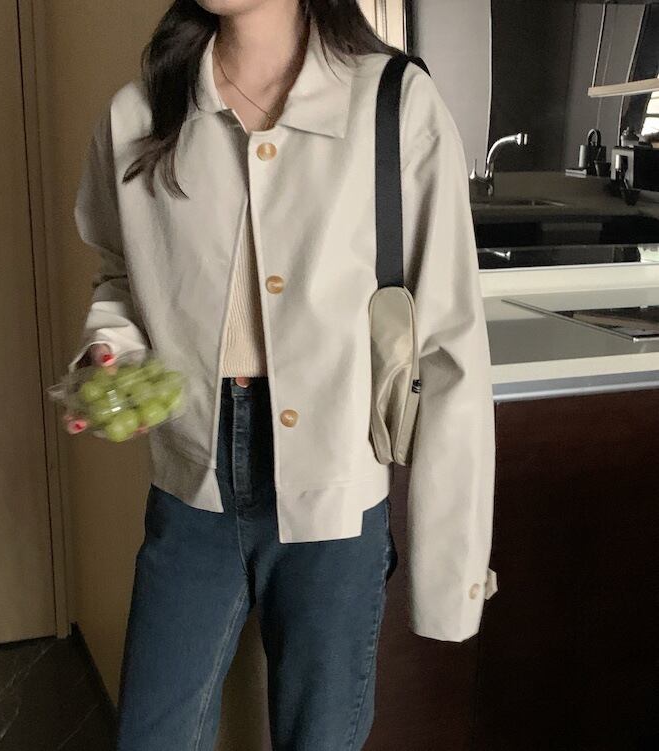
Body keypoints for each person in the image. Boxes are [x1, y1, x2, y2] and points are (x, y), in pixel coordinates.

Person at [66, 0, 497, 748]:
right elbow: (120, 276)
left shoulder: (392, 101)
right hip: (191, 484)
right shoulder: (139, 112)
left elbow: (450, 344)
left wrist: (450, 574)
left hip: (336, 490)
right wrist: (112, 354)